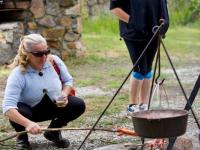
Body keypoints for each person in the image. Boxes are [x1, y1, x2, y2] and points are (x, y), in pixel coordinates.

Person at [2, 34, 86, 149]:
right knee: (20, 110)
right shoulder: (18, 73)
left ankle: (53, 132)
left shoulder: (54, 61)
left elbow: (68, 80)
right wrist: (28, 124)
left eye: (46, 52)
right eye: (38, 54)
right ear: (27, 53)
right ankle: (22, 136)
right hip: (29, 112)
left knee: (78, 104)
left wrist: (64, 94)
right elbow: (7, 108)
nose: (44, 57)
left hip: (52, 107)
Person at [110, 0, 169, 114]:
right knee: (139, 68)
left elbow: (163, 5)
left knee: (147, 69)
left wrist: (165, 22)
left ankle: (143, 105)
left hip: (154, 32)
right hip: (134, 33)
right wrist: (133, 22)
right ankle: (132, 106)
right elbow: (115, 8)